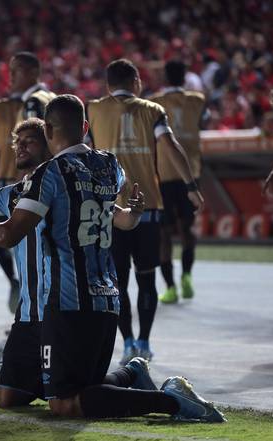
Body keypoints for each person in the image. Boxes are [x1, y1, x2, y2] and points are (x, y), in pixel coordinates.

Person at [0, 94, 224, 422]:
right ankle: (131, 375)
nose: (21, 149)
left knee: (64, 403)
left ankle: (171, 401)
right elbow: (119, 217)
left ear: (48, 134)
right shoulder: (108, 165)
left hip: (66, 301)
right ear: (85, 127)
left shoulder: (48, 176)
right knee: (22, 394)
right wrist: (133, 214)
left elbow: (6, 235)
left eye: (30, 141)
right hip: (99, 299)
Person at [0, 115, 149, 408]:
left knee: (70, 398)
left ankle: (126, 378)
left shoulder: (67, 184)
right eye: (17, 143)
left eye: (29, 142)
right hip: (28, 313)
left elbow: (115, 215)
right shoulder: (13, 194)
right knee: (9, 398)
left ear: (49, 141)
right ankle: (95, 382)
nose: (20, 148)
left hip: (60, 306)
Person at [87, 59, 203, 364]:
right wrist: (190, 184)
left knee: (118, 282)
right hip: (148, 206)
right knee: (147, 278)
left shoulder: (94, 110)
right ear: (136, 81)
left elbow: (83, 152)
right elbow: (171, 144)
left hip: (109, 207)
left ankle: (126, 344)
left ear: (108, 84)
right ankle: (144, 342)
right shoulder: (153, 110)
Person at [0, 52, 55, 313]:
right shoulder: (51, 98)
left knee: (24, 246)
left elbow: (37, 146)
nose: (10, 77)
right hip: (53, 182)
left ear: (34, 72)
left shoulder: (33, 102)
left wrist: (24, 185)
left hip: (36, 183)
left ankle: (32, 310)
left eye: (17, 71)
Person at [150, 61, 207, 304]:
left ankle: (171, 287)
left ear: (165, 77)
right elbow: (203, 121)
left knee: (163, 234)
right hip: (190, 174)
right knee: (187, 228)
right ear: (185, 78)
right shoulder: (197, 100)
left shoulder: (154, 102)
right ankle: (186, 276)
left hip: (163, 175)